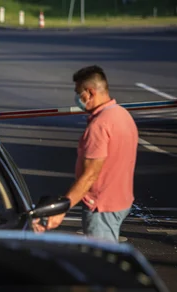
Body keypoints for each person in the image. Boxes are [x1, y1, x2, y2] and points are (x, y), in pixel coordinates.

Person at [33, 65, 138, 242]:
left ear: (89, 92)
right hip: (121, 201)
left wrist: (61, 209)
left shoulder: (99, 126)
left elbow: (90, 175)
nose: (77, 98)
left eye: (78, 92)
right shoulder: (122, 115)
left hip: (101, 206)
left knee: (100, 262)